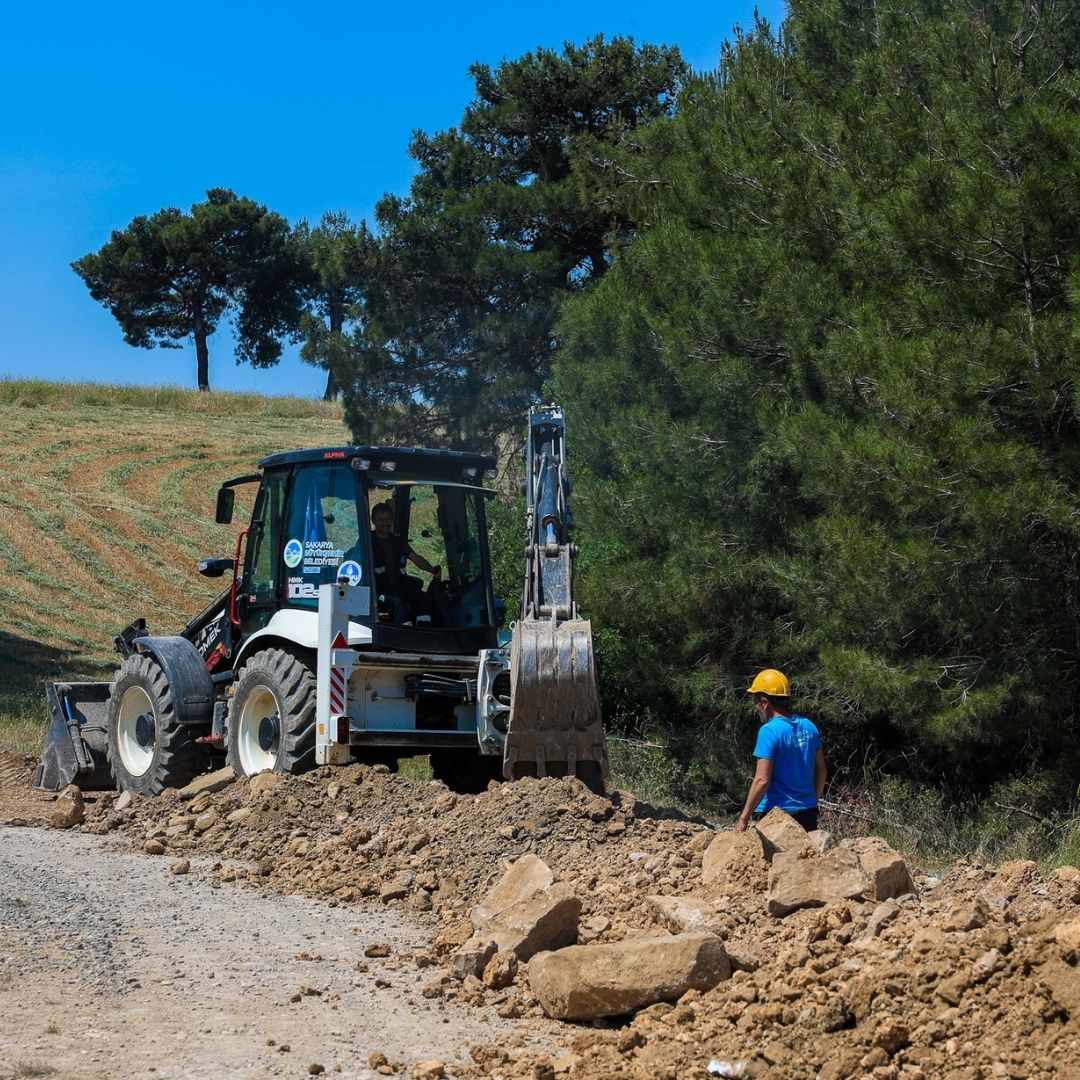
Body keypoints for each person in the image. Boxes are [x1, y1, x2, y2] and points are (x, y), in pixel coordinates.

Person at [735, 668, 826, 832]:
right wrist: (813, 801)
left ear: (764, 703)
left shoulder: (769, 731)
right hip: (808, 814)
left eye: (756, 702)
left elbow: (762, 780)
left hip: (776, 815)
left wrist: (744, 818)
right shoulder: (809, 726)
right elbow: (821, 770)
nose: (756, 707)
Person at [367, 501, 442, 626]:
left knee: (423, 598)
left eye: (387, 519)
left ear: (392, 520)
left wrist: (432, 570)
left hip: (400, 584)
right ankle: (407, 632)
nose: (385, 523)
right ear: (373, 521)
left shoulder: (397, 541)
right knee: (398, 602)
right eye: (381, 519)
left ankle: (424, 628)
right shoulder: (367, 541)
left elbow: (416, 558)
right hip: (379, 588)